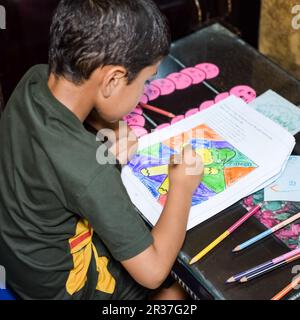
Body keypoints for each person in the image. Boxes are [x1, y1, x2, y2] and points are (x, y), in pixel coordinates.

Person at [0, 0, 203, 300]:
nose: (143, 92)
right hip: (64, 291)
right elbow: (153, 271)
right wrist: (182, 187)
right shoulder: (90, 171)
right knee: (176, 294)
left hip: (24, 268)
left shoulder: (32, 80)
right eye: (145, 82)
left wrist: (108, 121)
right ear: (112, 80)